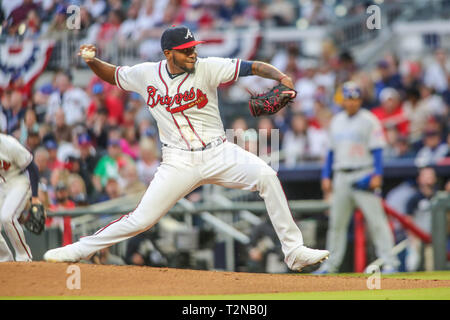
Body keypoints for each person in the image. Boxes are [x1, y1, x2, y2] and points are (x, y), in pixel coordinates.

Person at [44, 25, 329, 271]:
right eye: (185, 50)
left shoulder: (208, 67)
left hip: (218, 152)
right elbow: (114, 74)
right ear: (169, 54)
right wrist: (92, 61)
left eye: (193, 48)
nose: (193, 53)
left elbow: (252, 66)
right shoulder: (147, 74)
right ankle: (80, 249)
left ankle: (294, 252)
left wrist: (281, 78)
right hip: (177, 161)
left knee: (266, 176)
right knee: (141, 219)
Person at [316, 82, 399, 274]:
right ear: (343, 100)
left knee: (377, 222)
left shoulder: (369, 120)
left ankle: (390, 263)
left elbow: (377, 150)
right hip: (341, 176)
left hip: (364, 173)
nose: (351, 103)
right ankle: (331, 265)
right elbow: (330, 152)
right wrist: (325, 175)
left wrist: (377, 174)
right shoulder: (337, 121)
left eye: (355, 99)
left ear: (360, 100)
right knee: (336, 225)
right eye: (348, 99)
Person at [0, 133, 42, 261]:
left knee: (7, 217)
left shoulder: (8, 144)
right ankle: (5, 260)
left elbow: (32, 168)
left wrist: (35, 197)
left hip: (18, 181)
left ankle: (24, 258)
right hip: (2, 185)